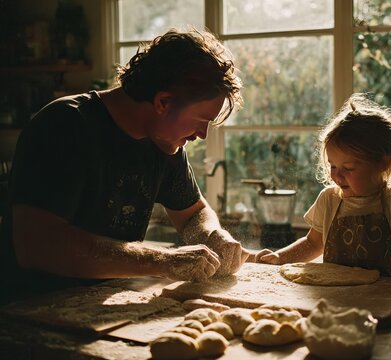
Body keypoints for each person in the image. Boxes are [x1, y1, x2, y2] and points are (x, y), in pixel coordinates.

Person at [0, 28, 251, 305]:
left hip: (102, 304)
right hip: (30, 310)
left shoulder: (165, 142)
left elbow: (194, 214)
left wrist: (212, 235)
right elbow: (37, 245)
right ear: (163, 102)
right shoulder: (63, 127)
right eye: (200, 121)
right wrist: (160, 260)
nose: (202, 135)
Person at [254, 93, 391, 292]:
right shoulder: (329, 199)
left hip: (386, 297)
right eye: (333, 166)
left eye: (349, 168)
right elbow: (312, 244)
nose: (337, 176)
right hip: (334, 295)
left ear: (383, 163)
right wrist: (280, 257)